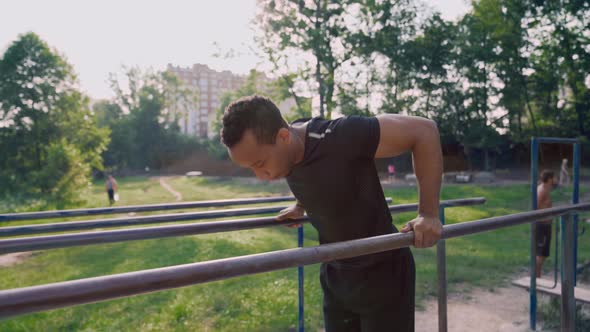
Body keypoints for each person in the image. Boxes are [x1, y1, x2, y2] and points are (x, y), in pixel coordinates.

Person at [221, 95, 442, 331]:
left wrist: (428, 214)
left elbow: (424, 131)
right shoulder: (286, 146)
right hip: (336, 275)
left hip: (383, 273)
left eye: (260, 163)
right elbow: (313, 171)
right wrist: (301, 205)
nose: (261, 176)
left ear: (284, 137)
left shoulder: (341, 135)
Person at [536, 169, 557, 278]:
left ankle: (536, 277)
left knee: (543, 254)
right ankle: (535, 279)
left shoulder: (546, 189)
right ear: (549, 179)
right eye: (554, 177)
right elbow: (536, 207)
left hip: (545, 225)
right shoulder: (542, 191)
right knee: (541, 254)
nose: (556, 179)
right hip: (542, 225)